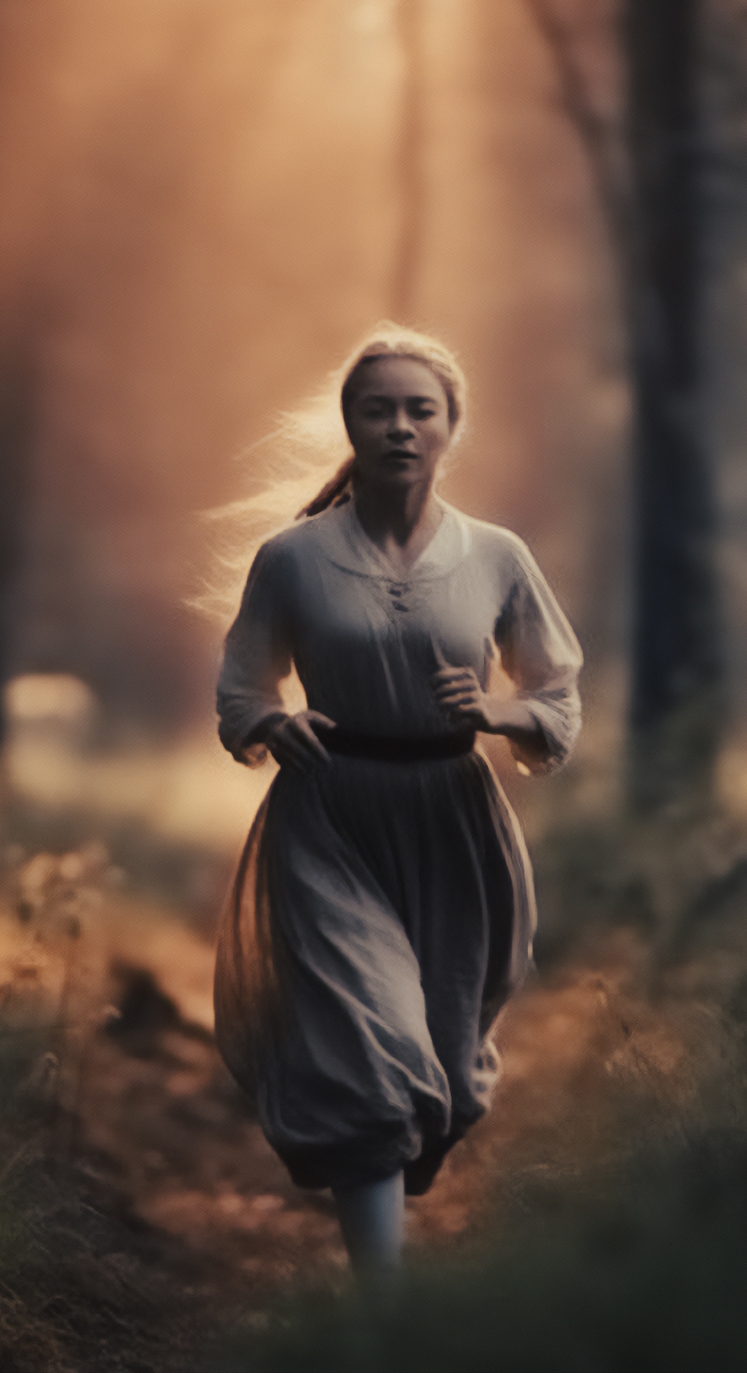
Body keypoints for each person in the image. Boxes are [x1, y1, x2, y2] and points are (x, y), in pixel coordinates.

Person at [212, 325, 582, 1281]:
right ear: (352, 423)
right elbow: (240, 690)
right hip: (329, 822)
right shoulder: (291, 558)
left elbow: (558, 697)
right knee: (370, 1057)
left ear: (452, 427)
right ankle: (386, 1315)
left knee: (445, 1077)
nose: (400, 427)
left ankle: (399, 1192)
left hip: (455, 823)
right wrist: (270, 726)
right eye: (378, 409)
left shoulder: (497, 555)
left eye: (421, 409)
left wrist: (500, 710)